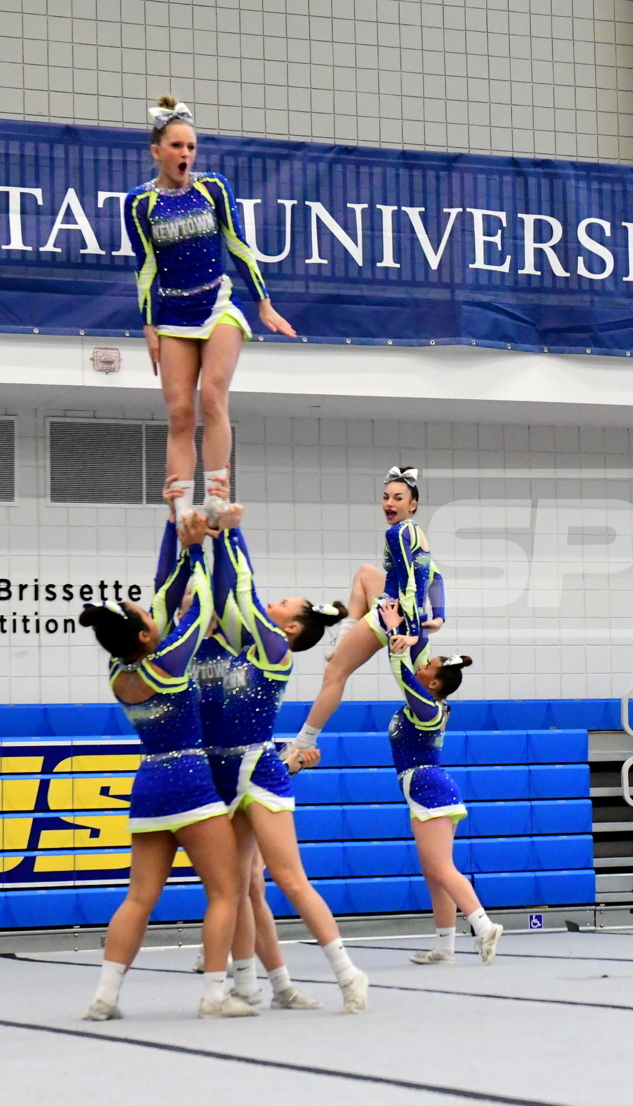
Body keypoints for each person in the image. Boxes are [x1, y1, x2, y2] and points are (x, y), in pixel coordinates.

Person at [78, 511, 253, 1019]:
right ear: (144, 636)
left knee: (138, 898)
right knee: (225, 891)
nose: (155, 614)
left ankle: (104, 997)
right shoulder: (170, 661)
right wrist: (196, 548)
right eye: (147, 617)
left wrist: (173, 527)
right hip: (190, 784)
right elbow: (199, 608)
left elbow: (163, 594)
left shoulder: (118, 670)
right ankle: (214, 996)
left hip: (149, 785)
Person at [207, 512, 370, 1012]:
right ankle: (250, 985)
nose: (271, 604)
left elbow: (243, 589)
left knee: (290, 879)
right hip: (222, 771)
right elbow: (229, 594)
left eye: (281, 605)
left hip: (258, 771)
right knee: (239, 887)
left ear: (291, 626)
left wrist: (229, 531)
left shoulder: (274, 648)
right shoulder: (239, 643)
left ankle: (348, 974)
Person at [124, 94, 295, 529]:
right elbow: (146, 266)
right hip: (173, 313)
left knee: (213, 398)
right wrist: (149, 326)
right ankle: (181, 510)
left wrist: (263, 302)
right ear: (157, 151)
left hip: (218, 304)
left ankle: (217, 497)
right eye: (177, 146)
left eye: (191, 146)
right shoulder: (139, 203)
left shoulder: (212, 188)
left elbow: (238, 244)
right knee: (180, 413)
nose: (186, 154)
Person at [286, 465, 445, 766]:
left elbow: (410, 588)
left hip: (393, 615)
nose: (389, 504)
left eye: (398, 498)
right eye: (386, 497)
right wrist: (438, 617)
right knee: (365, 573)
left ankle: (303, 743)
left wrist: (408, 632)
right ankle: (345, 634)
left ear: (413, 504)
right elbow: (436, 579)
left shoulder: (396, 533)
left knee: (335, 673)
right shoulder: (418, 532)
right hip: (406, 612)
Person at [376, 603, 502, 966]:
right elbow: (415, 655)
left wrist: (392, 632)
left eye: (426, 667)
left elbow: (403, 674)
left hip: (428, 787)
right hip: (428, 789)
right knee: (434, 873)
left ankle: (484, 926)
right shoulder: (431, 700)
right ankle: (445, 948)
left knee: (443, 869)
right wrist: (413, 625)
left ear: (432, 684)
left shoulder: (427, 708)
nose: (420, 665)